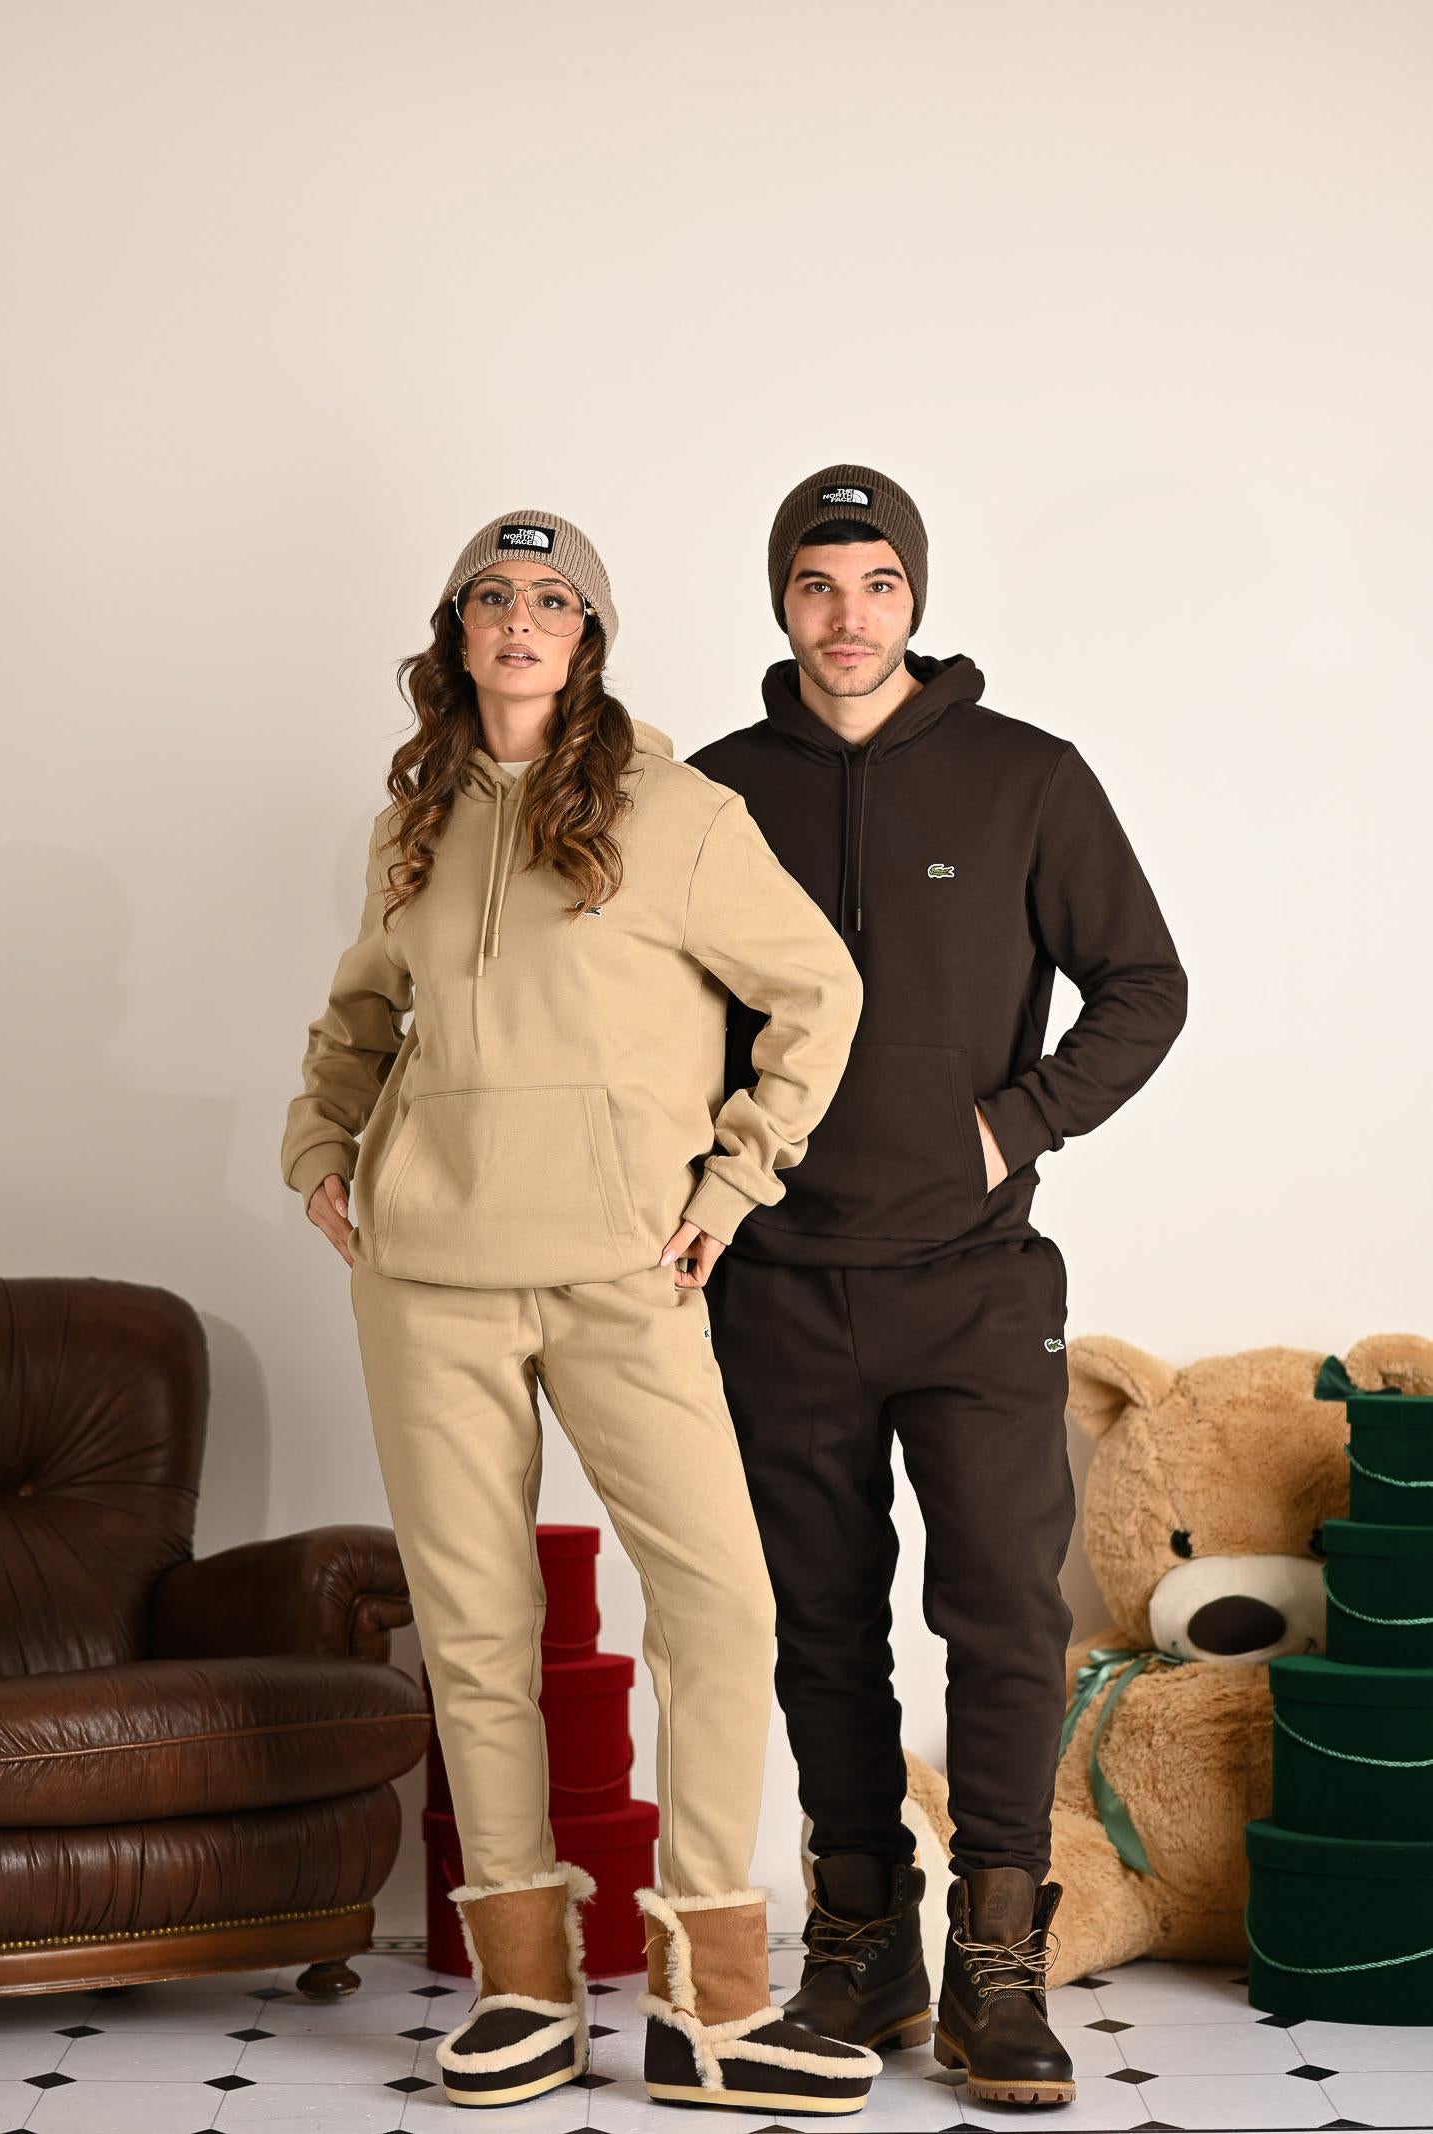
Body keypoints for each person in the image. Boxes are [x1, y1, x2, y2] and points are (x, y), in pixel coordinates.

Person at [279, 509, 879, 2115]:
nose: (520, 618)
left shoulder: (677, 814)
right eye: (492, 595)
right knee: (476, 1632)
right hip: (426, 1277)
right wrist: (320, 1147)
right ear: (457, 632)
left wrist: (730, 1183)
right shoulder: (411, 822)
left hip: (624, 1268)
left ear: (589, 635)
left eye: (552, 598)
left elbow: (817, 990)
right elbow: (359, 1016)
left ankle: (710, 2002)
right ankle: (523, 1992)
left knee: (720, 1605)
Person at [689, 463, 1189, 2111]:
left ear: (914, 593)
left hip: (975, 1282)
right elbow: (653, 1019)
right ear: (780, 597)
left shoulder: (1023, 776)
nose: (847, 617)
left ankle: (995, 1958)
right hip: (775, 1281)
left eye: (877, 583)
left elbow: (1142, 982)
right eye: (817, 583)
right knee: (817, 1620)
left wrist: (1012, 1123)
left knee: (1002, 1616)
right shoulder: (708, 795)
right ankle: (859, 1937)